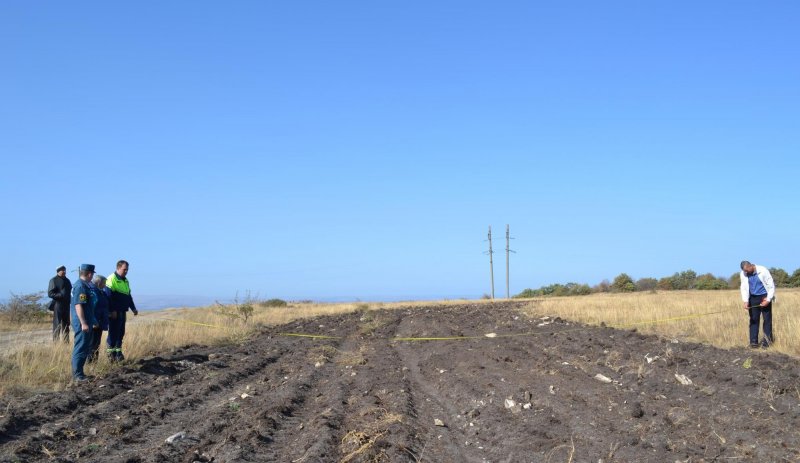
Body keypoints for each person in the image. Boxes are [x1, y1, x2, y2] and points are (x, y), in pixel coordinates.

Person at [71, 264, 98, 381]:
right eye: (92, 274)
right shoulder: (81, 286)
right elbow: (78, 305)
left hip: (87, 320)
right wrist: (83, 322)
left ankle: (80, 373)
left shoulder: (84, 285)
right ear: (89, 274)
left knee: (85, 347)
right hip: (82, 322)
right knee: (81, 347)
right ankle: (78, 375)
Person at [106, 260, 138, 361]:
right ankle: (110, 354)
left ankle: (118, 353)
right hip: (114, 312)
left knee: (121, 332)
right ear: (118, 268)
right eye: (124, 269)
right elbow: (108, 296)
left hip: (122, 311)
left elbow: (128, 296)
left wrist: (133, 308)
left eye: (127, 270)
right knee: (113, 332)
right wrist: (112, 310)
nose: (126, 271)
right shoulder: (112, 278)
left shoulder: (126, 281)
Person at [740, 260, 776, 348]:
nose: (745, 272)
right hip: (752, 298)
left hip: (764, 296)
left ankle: (767, 343)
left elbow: (771, 286)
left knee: (767, 320)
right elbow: (744, 288)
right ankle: (753, 342)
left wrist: (768, 300)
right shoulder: (743, 273)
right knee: (753, 319)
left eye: (746, 270)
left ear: (750, 266)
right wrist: (745, 301)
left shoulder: (763, 270)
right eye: (744, 271)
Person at [88, 275, 110, 363]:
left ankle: (94, 362)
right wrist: (93, 321)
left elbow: (104, 305)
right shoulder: (92, 291)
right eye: (104, 283)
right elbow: (91, 308)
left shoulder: (101, 292)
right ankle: (90, 363)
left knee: (96, 344)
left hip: (100, 322)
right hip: (94, 322)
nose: (105, 285)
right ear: (98, 282)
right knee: (91, 344)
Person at [48, 265, 72, 342]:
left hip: (67, 305)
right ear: (58, 271)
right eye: (62, 270)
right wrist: (60, 295)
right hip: (58, 304)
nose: (64, 271)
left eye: (65, 270)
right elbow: (50, 293)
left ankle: (66, 342)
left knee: (66, 324)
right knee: (57, 324)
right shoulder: (53, 280)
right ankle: (56, 343)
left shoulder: (67, 281)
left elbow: (71, 292)